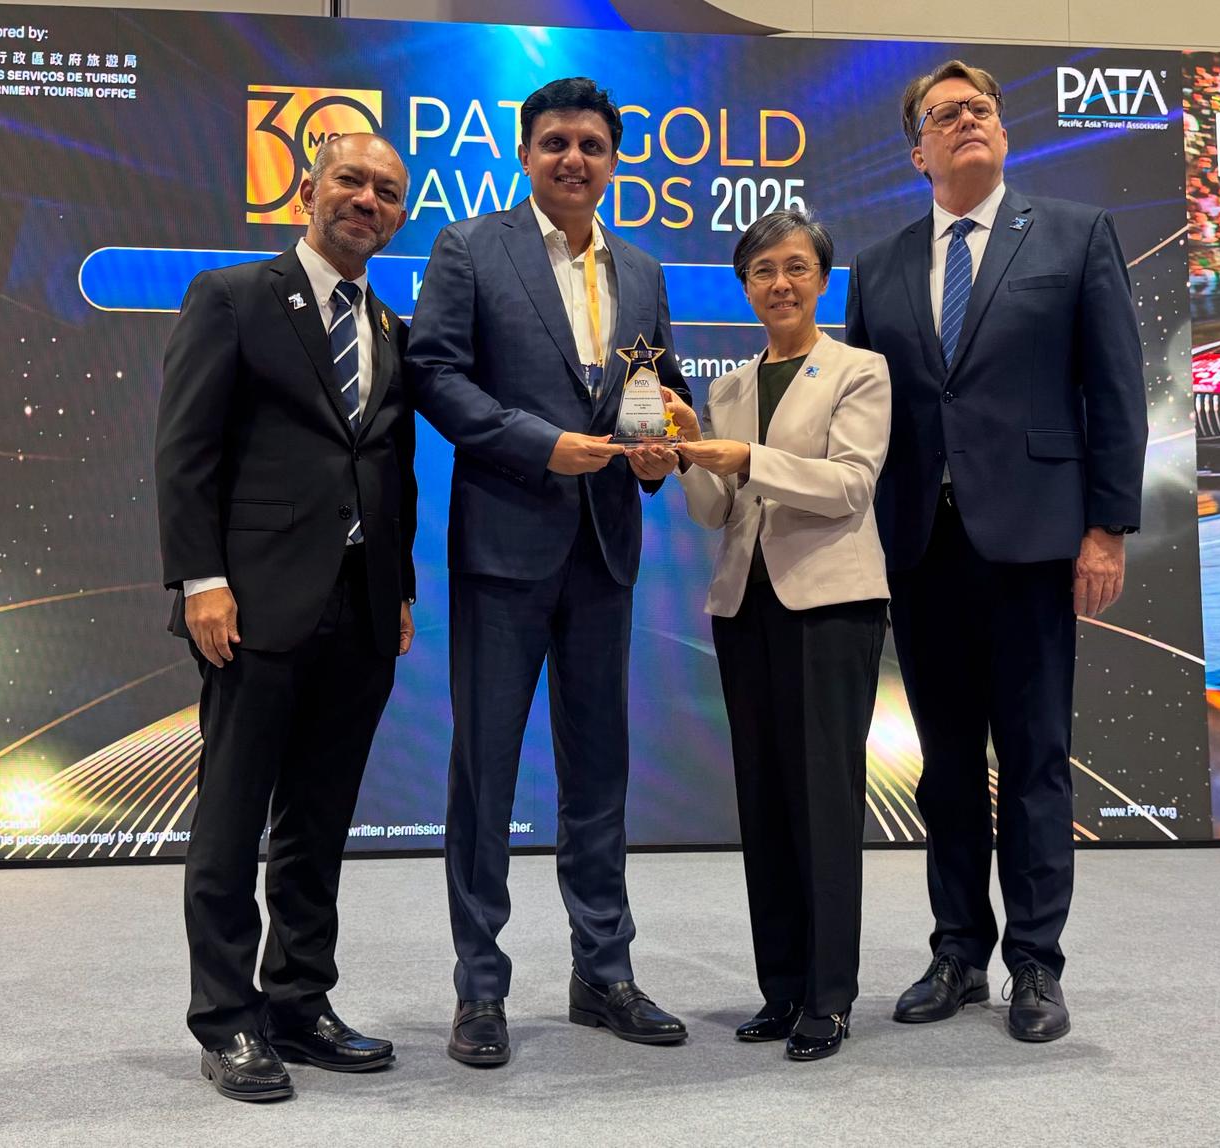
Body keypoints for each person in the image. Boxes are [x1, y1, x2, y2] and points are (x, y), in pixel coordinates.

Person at [845, 60, 1147, 1042]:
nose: (967, 120)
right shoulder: (879, 266)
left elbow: (1114, 389)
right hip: (919, 547)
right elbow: (864, 415)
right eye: (944, 114)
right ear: (917, 151)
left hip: (1032, 542)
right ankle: (956, 953)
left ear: (1001, 133)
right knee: (942, 767)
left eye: (979, 108)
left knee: (1033, 758)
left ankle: (1035, 964)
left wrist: (1105, 526)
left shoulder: (1072, 234)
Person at [406, 76, 691, 1067]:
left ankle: (602, 974)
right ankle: (479, 989)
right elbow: (433, 373)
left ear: (613, 160)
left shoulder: (642, 270)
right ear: (524, 153)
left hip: (605, 549)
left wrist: (662, 450)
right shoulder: (468, 248)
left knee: (599, 770)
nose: (574, 159)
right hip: (503, 546)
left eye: (592, 145)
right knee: (484, 773)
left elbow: (662, 387)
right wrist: (540, 444)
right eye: (556, 142)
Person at [155, 133, 416, 1100]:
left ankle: (300, 1003)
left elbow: (391, 469)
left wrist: (398, 590)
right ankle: (227, 1019)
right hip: (252, 604)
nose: (367, 200)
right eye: (351, 180)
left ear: (399, 216)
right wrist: (201, 581)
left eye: (386, 191)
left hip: (360, 609)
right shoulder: (233, 296)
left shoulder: (389, 325)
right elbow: (185, 451)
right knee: (232, 819)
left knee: (319, 818)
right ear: (308, 189)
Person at [667, 211, 890, 1062]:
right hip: (744, 607)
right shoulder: (728, 388)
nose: (780, 284)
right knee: (763, 801)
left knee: (823, 798)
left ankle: (830, 996)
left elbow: (849, 485)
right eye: (762, 271)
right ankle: (783, 986)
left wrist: (746, 459)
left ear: (822, 280)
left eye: (796, 267)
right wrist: (690, 455)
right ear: (745, 286)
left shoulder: (860, 369)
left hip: (830, 606)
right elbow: (715, 513)